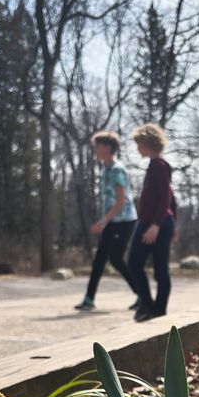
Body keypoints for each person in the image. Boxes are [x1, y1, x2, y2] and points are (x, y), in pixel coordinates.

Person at [75, 131, 138, 311]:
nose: (95, 149)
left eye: (97, 145)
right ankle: (89, 298)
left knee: (116, 259)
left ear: (107, 148)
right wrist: (106, 221)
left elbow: (121, 201)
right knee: (100, 259)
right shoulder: (107, 169)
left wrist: (103, 221)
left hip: (124, 221)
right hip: (112, 221)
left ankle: (142, 295)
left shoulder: (117, 170)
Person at [127, 123, 176, 323]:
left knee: (160, 268)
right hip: (151, 222)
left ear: (148, 144)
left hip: (157, 225)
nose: (138, 149)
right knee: (134, 264)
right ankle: (147, 305)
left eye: (139, 144)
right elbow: (173, 199)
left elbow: (166, 198)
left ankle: (158, 310)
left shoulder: (159, 166)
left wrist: (156, 225)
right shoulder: (154, 166)